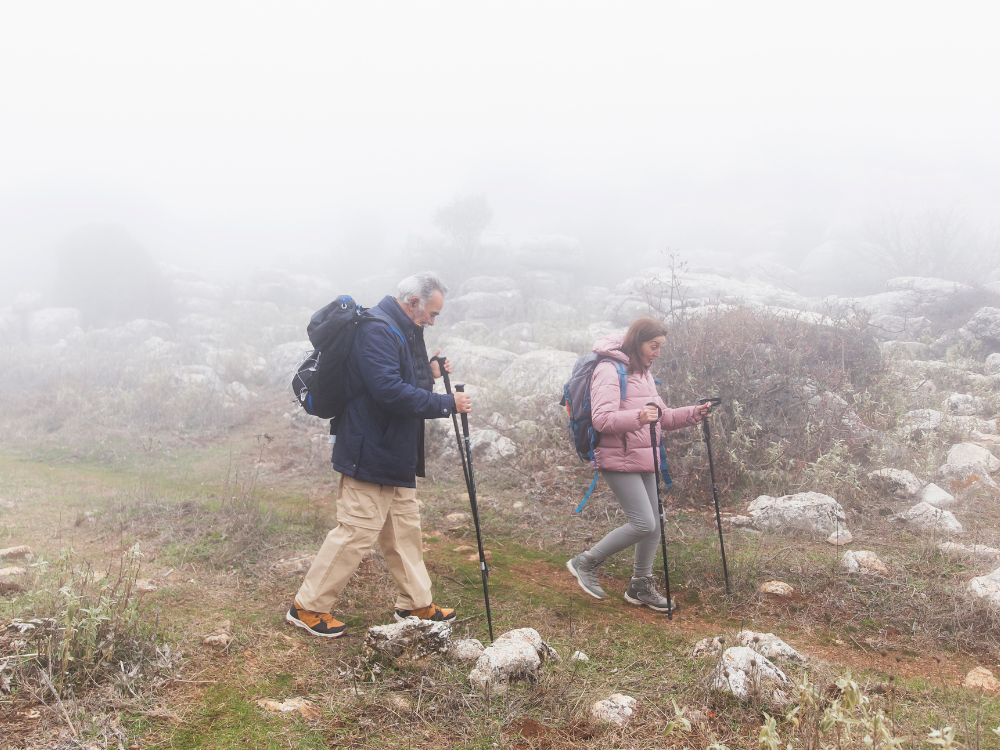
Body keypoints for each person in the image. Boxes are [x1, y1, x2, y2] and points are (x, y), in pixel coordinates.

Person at [287, 272, 472, 638]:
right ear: (413, 302)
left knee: (404, 529)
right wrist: (446, 403)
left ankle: (415, 603)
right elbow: (388, 390)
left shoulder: (404, 327)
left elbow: (403, 380)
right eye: (432, 313)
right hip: (369, 449)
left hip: (395, 450)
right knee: (356, 531)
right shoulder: (377, 329)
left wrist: (431, 372)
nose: (433, 321)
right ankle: (307, 607)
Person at [566, 317, 710, 612]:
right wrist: (639, 417)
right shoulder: (609, 369)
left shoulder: (643, 373)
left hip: (645, 456)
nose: (657, 352)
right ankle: (586, 562)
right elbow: (602, 420)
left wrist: (693, 413)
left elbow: (662, 416)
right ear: (637, 341)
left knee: (655, 522)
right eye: (653, 346)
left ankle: (640, 585)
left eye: (660, 347)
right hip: (616, 456)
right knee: (644, 522)